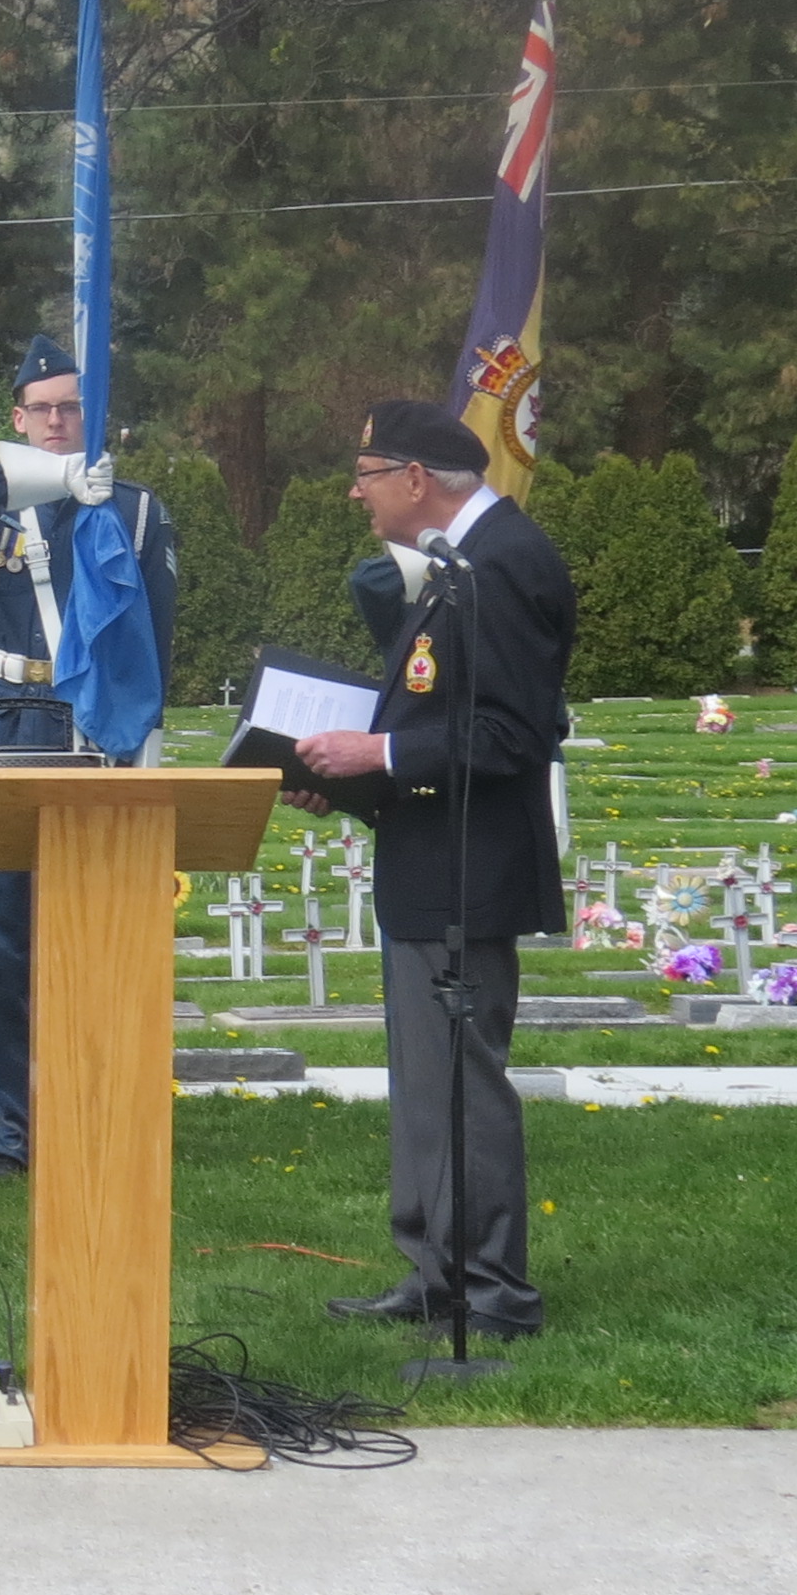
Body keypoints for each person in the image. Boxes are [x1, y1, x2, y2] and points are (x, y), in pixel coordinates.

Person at [284, 400, 576, 1339]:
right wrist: (352, 777)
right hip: (427, 854)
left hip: (471, 867)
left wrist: (380, 759)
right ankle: (436, 1270)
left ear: (415, 479)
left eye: (367, 475)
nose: (355, 493)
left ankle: (492, 1291)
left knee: (461, 1079)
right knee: (425, 1080)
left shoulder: (506, 565)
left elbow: (516, 733)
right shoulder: (459, 567)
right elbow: (439, 712)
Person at [0, 336, 180, 1178]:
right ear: (18, 419)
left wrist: (145, 753)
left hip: (93, 729)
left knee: (92, 935)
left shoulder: (135, 511)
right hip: (5, 723)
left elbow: (157, 645)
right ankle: (10, 1130)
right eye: (43, 408)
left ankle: (91, 1108)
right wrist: (60, 479)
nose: (59, 420)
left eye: (73, 407)